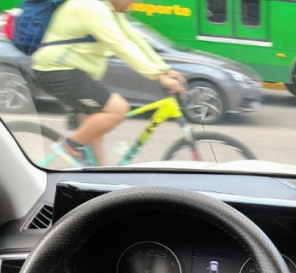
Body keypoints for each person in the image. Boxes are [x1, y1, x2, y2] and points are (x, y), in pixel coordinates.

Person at [30, 0, 186, 165]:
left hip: (74, 72)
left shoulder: (111, 10)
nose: (133, 2)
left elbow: (134, 40)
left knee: (95, 131)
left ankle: (98, 174)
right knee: (118, 109)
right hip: (57, 70)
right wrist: (157, 75)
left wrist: (163, 69)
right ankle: (70, 145)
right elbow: (121, 45)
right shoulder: (92, 8)